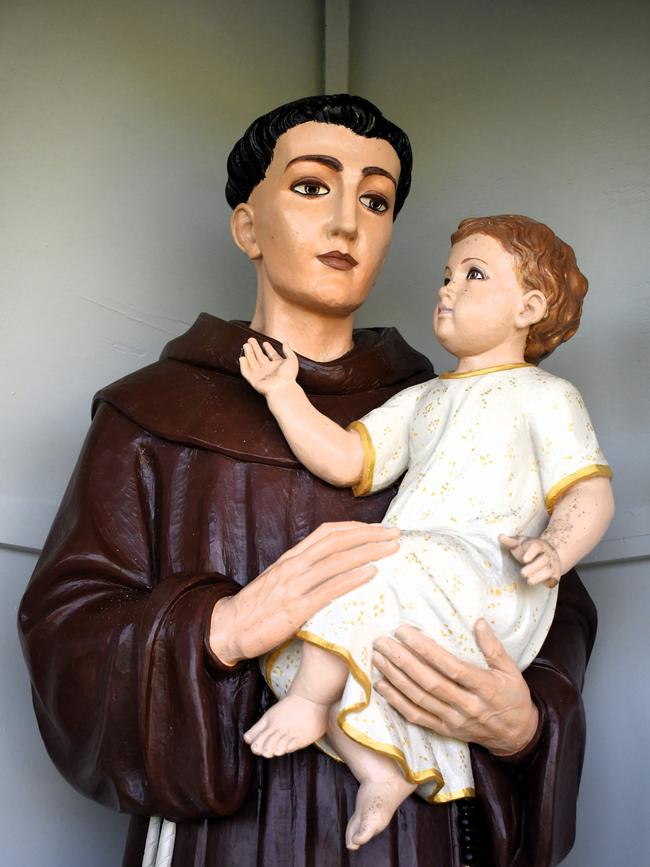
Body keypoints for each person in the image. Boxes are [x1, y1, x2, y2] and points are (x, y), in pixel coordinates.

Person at [18, 95, 599, 867]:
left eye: (376, 199)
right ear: (247, 225)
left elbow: (544, 600)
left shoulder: (447, 409)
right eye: (313, 186)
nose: (348, 224)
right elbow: (66, 631)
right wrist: (221, 628)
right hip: (224, 842)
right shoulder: (149, 416)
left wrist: (521, 723)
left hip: (412, 837)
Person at [238, 214, 614, 851]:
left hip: (493, 579)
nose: (447, 288)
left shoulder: (546, 395)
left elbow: (589, 491)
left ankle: (307, 702)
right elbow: (346, 459)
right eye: (447, 275)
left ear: (531, 305)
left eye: (473, 275)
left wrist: (555, 547)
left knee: (371, 562)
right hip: (417, 569)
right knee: (340, 576)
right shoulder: (425, 398)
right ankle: (378, 770)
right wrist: (282, 394)